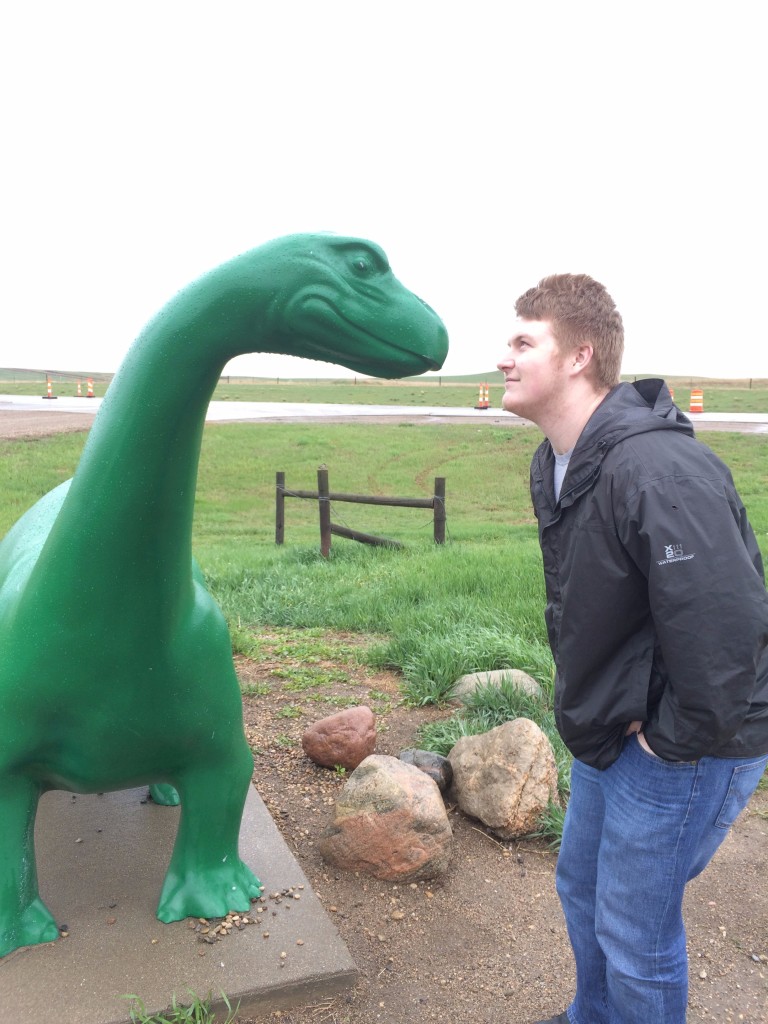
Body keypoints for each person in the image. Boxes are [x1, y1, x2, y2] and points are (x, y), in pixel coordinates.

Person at [497, 273, 768, 1024]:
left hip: (686, 743)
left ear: (580, 356)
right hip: (615, 726)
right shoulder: (560, 460)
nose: (503, 359)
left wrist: (667, 744)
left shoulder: (657, 468)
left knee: (636, 931)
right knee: (580, 889)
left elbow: (726, 624)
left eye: (524, 342)